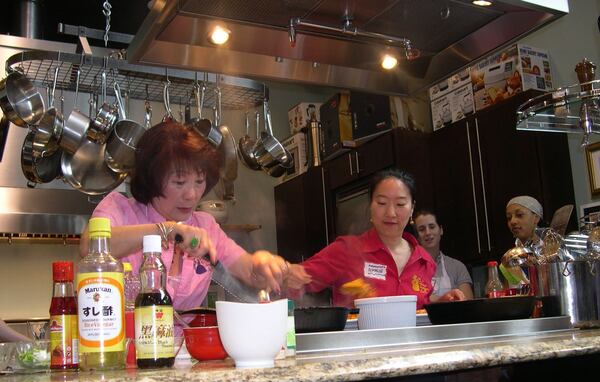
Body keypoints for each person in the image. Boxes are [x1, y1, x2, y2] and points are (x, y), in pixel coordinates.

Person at [80, 122, 290, 327]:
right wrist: (167, 230)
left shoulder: (205, 226)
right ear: (151, 178)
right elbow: (89, 246)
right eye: (179, 183)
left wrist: (261, 264)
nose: (191, 195)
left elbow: (245, 268)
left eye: (199, 182)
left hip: (182, 354)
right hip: (122, 349)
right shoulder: (119, 208)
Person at [285, 169, 465, 309]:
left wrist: (440, 303)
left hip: (410, 351)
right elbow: (294, 280)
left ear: (411, 209)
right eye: (381, 203)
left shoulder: (425, 262)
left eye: (400, 204)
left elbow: (418, 304)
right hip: (360, 352)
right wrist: (276, 270)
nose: (391, 213)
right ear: (370, 206)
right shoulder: (347, 250)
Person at [413, 210, 474, 300]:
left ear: (441, 230)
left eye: (432, 227)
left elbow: (468, 303)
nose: (428, 232)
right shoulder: (411, 268)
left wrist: (432, 299)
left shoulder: (457, 267)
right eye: (422, 229)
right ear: (417, 236)